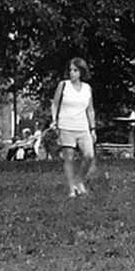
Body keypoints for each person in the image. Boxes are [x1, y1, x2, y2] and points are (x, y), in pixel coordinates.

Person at [52, 58, 98, 197]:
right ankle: (71, 188)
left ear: (81, 72)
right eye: (70, 70)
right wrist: (54, 120)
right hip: (66, 126)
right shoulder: (63, 85)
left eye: (75, 70)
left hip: (83, 127)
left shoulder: (87, 88)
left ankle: (79, 180)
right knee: (69, 158)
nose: (72, 73)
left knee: (89, 155)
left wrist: (93, 128)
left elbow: (90, 110)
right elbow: (55, 104)